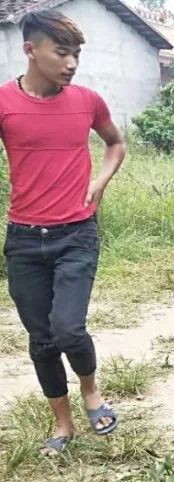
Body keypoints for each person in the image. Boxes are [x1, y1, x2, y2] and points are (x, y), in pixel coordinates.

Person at [1, 11, 126, 455]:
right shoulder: (4, 103)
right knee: (41, 339)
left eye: (76, 53)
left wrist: (100, 182)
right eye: (62, 52)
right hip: (23, 239)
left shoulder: (87, 100)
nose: (72, 63)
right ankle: (63, 423)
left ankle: (91, 392)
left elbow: (116, 142)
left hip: (76, 233)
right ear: (30, 50)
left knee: (68, 328)